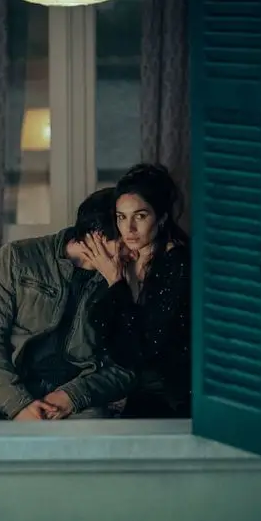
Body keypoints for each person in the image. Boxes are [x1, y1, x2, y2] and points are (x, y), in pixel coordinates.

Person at [0, 189, 135, 421]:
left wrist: (72, 396)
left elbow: (125, 367)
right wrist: (18, 404)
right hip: (12, 382)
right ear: (97, 236)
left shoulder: (125, 282)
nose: (133, 253)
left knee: (93, 428)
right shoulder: (16, 258)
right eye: (124, 244)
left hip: (74, 392)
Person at [78, 163, 191, 418]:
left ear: (161, 217)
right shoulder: (126, 256)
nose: (128, 229)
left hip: (172, 396)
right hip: (132, 386)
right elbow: (100, 328)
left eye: (140, 216)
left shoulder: (178, 263)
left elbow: (141, 350)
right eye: (121, 217)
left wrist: (116, 282)